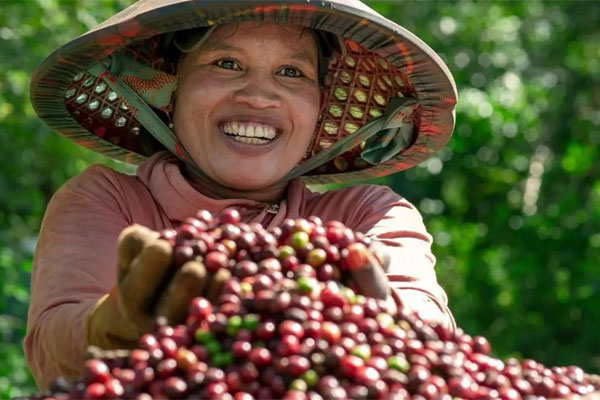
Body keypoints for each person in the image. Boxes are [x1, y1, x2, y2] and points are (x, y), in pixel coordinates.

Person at [26, 0, 458, 390]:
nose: (258, 96)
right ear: (171, 90)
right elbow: (54, 348)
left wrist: (380, 321)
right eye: (226, 63)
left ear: (320, 106)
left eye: (291, 72)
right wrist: (114, 325)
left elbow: (428, 330)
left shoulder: (367, 215)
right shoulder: (107, 200)